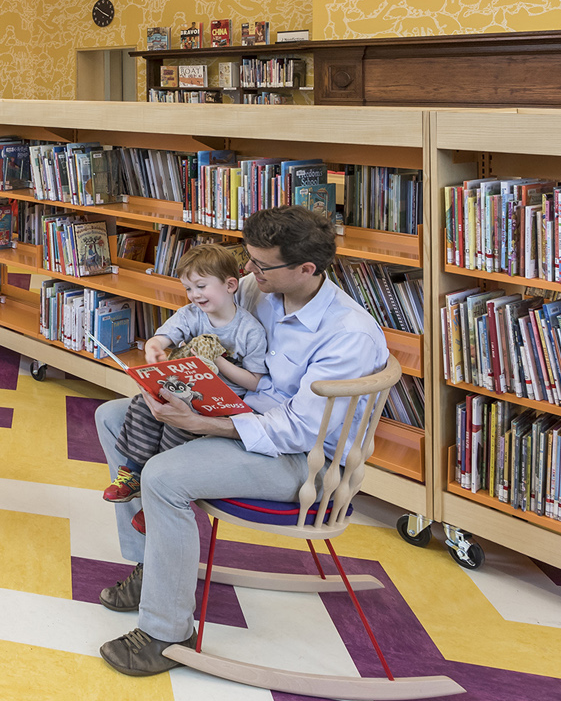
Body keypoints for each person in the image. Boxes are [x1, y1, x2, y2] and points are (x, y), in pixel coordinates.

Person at [93, 206, 388, 677]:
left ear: (306, 269)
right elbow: (201, 310)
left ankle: (167, 629)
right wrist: (165, 344)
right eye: (247, 259)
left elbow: (299, 431)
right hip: (246, 414)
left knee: (163, 476)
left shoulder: (348, 335)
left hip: (303, 459)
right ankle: (153, 567)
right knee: (112, 416)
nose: (247, 271)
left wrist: (207, 425)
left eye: (261, 264)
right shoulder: (260, 288)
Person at [101, 244, 267, 504]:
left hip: (219, 404)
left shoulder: (250, 331)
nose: (194, 295)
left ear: (230, 285)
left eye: (201, 286)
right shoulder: (191, 315)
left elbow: (255, 382)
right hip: (184, 390)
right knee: (143, 405)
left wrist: (217, 360)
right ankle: (133, 471)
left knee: (181, 422)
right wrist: (155, 347)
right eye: (188, 288)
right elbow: (165, 336)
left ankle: (161, 490)